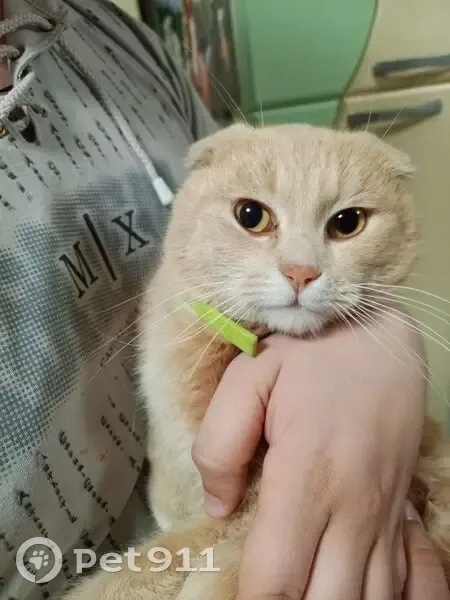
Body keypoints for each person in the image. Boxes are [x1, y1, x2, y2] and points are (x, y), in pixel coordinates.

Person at [0, 1, 447, 599]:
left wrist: (380, 336)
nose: (302, 269)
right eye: (254, 216)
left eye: (345, 223)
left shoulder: (106, 33)